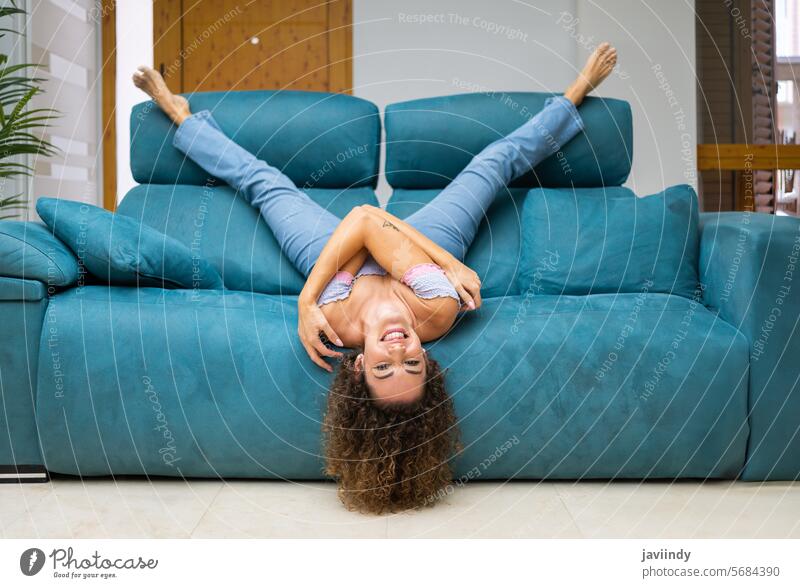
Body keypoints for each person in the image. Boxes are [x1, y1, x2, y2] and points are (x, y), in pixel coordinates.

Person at [132, 42, 617, 512]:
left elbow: (364, 221)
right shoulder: (438, 309)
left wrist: (308, 301)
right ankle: (576, 93)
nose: (400, 352)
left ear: (359, 367)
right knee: (491, 166)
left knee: (265, 183)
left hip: (345, 264)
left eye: (384, 368)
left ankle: (180, 115)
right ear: (430, 363)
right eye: (414, 366)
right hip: (426, 248)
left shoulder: (332, 324)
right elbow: (367, 226)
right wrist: (445, 262)